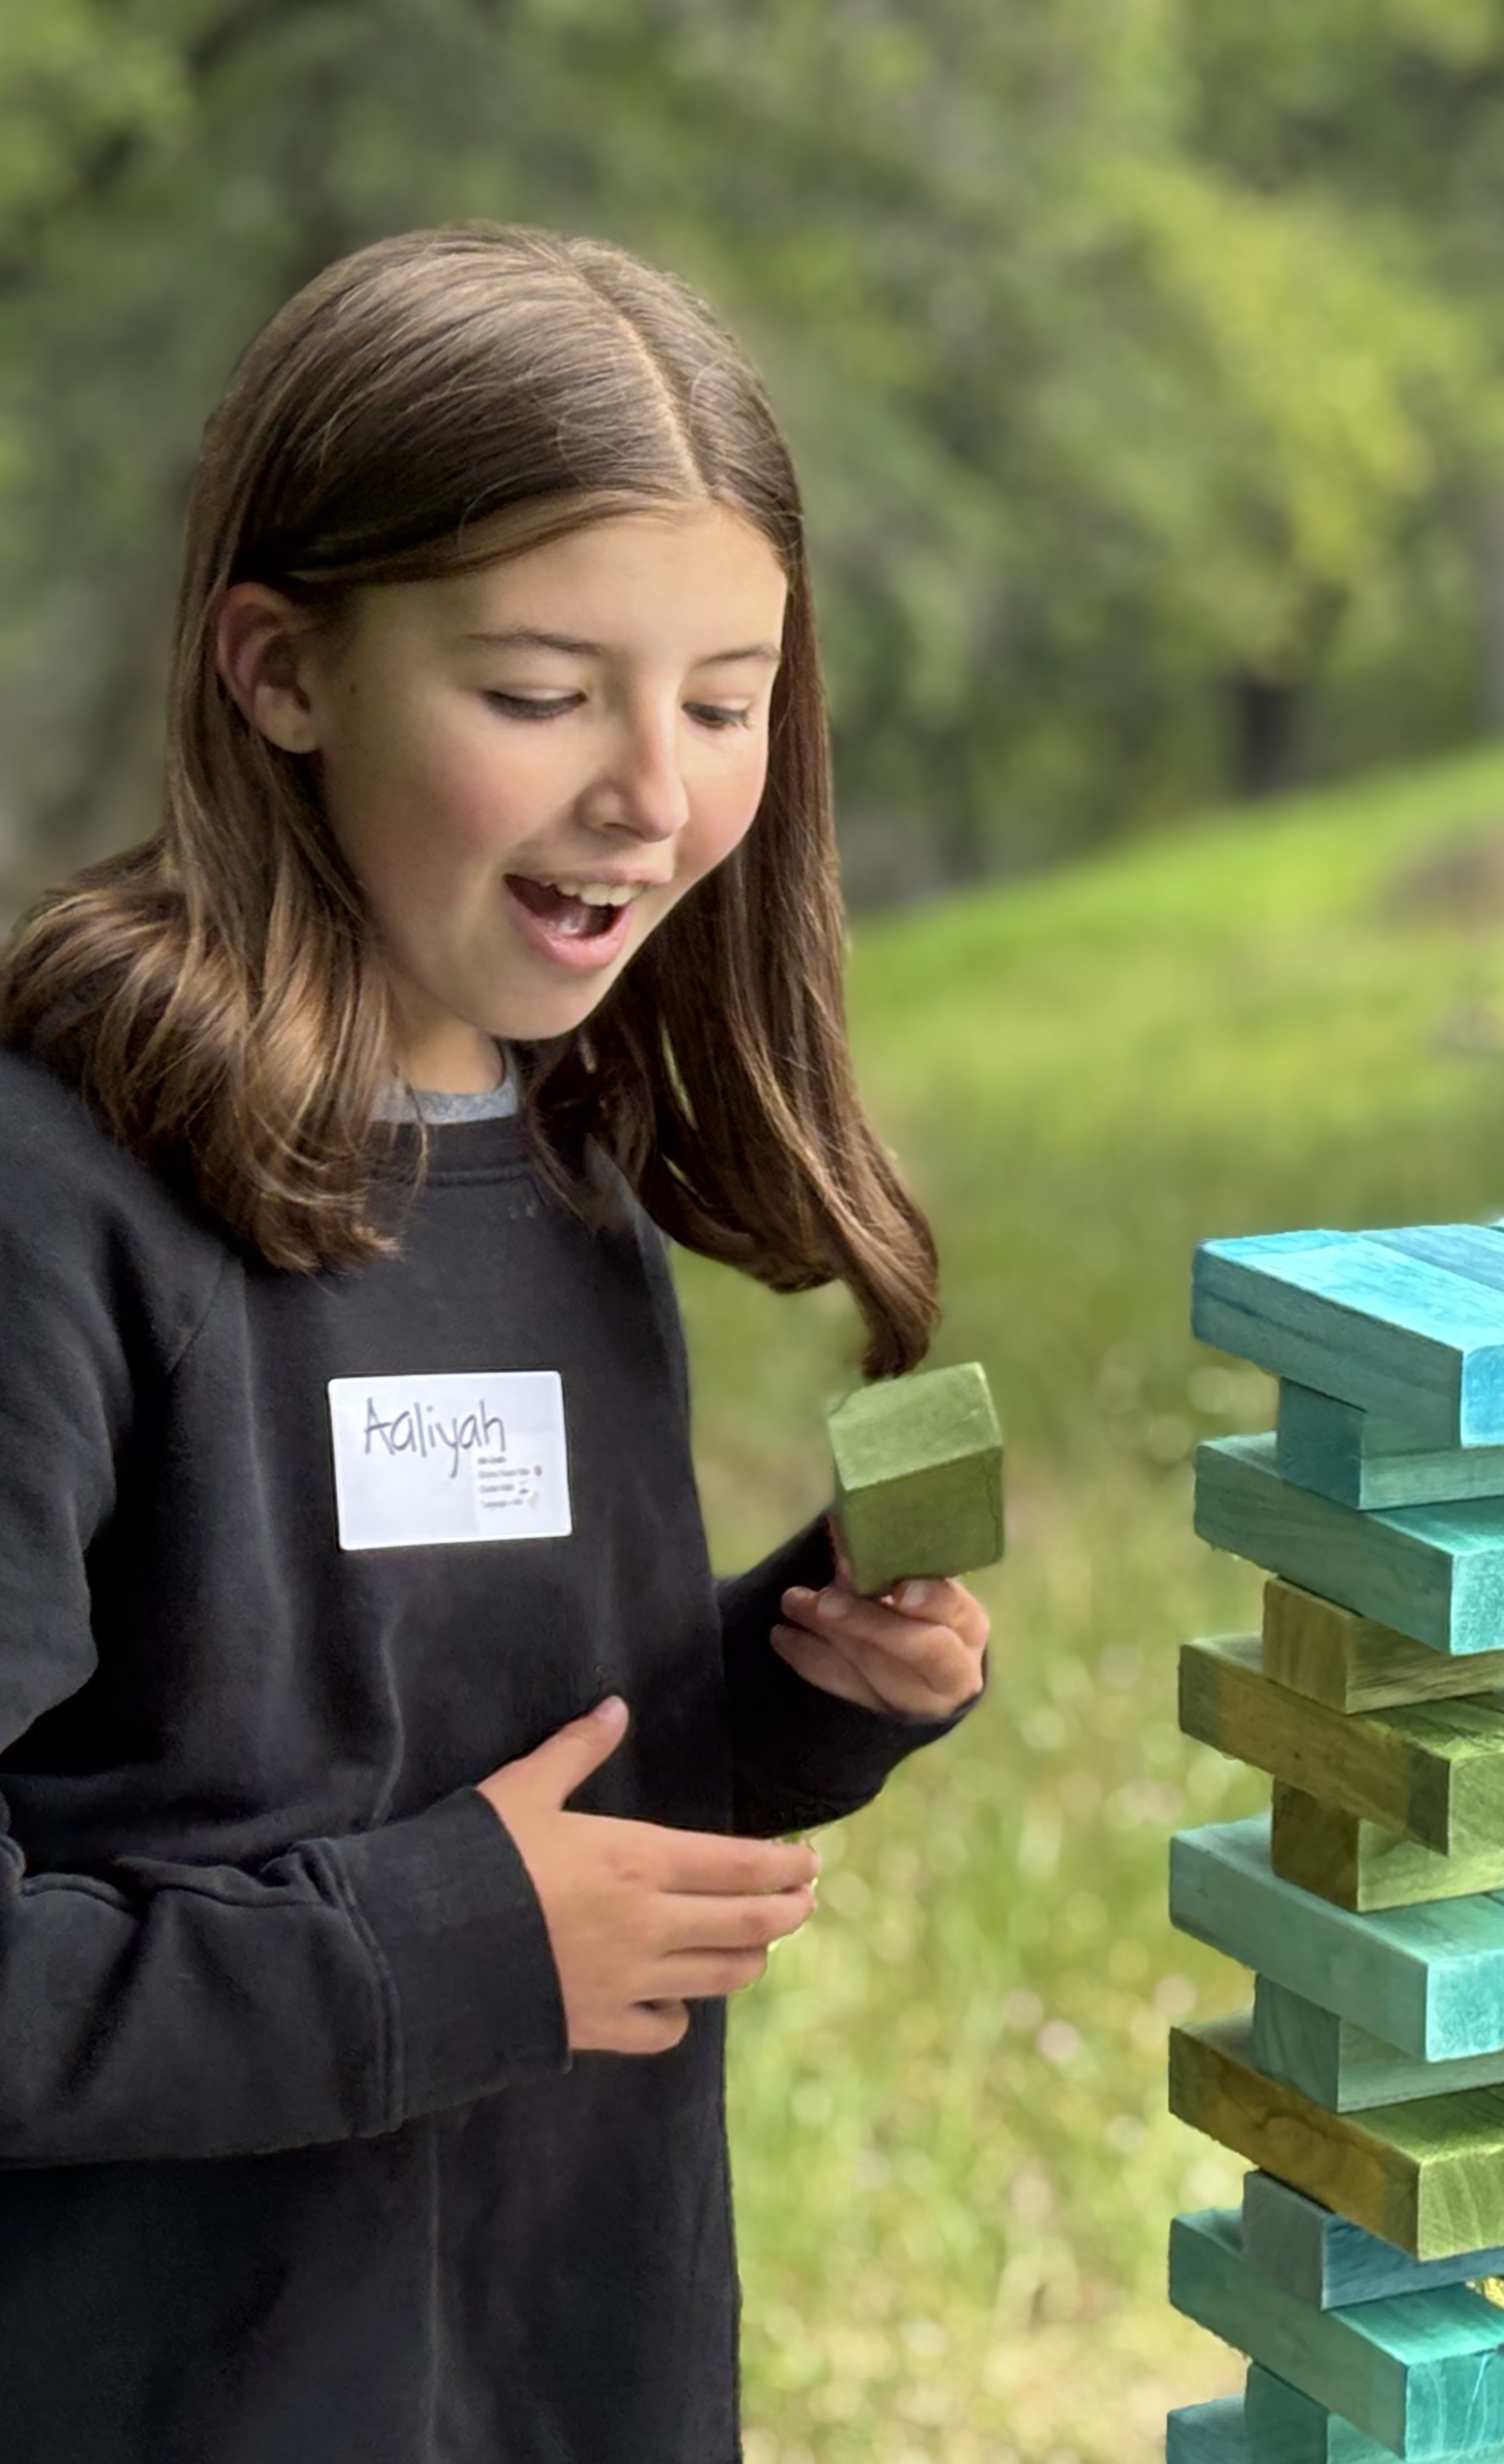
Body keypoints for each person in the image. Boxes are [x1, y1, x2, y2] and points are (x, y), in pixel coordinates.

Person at [0, 226, 995, 2459]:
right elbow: (438, 1903)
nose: (654, 791)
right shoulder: (49, 1204)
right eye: (542, 695)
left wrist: (791, 1694)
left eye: (724, 703)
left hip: (571, 2364)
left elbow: (473, 1777)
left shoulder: (559, 1153)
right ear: (281, 671)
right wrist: (427, 1957)